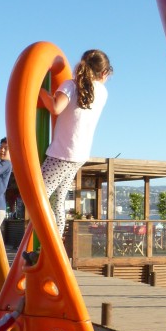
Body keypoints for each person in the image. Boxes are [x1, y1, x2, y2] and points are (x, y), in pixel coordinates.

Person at [38, 50, 112, 237]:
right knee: (57, 200)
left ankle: (49, 246)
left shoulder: (71, 85)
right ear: (104, 73)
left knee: (39, 198)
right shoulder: (102, 92)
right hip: (79, 154)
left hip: (61, 153)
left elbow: (56, 107)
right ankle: (55, 246)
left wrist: (42, 92)